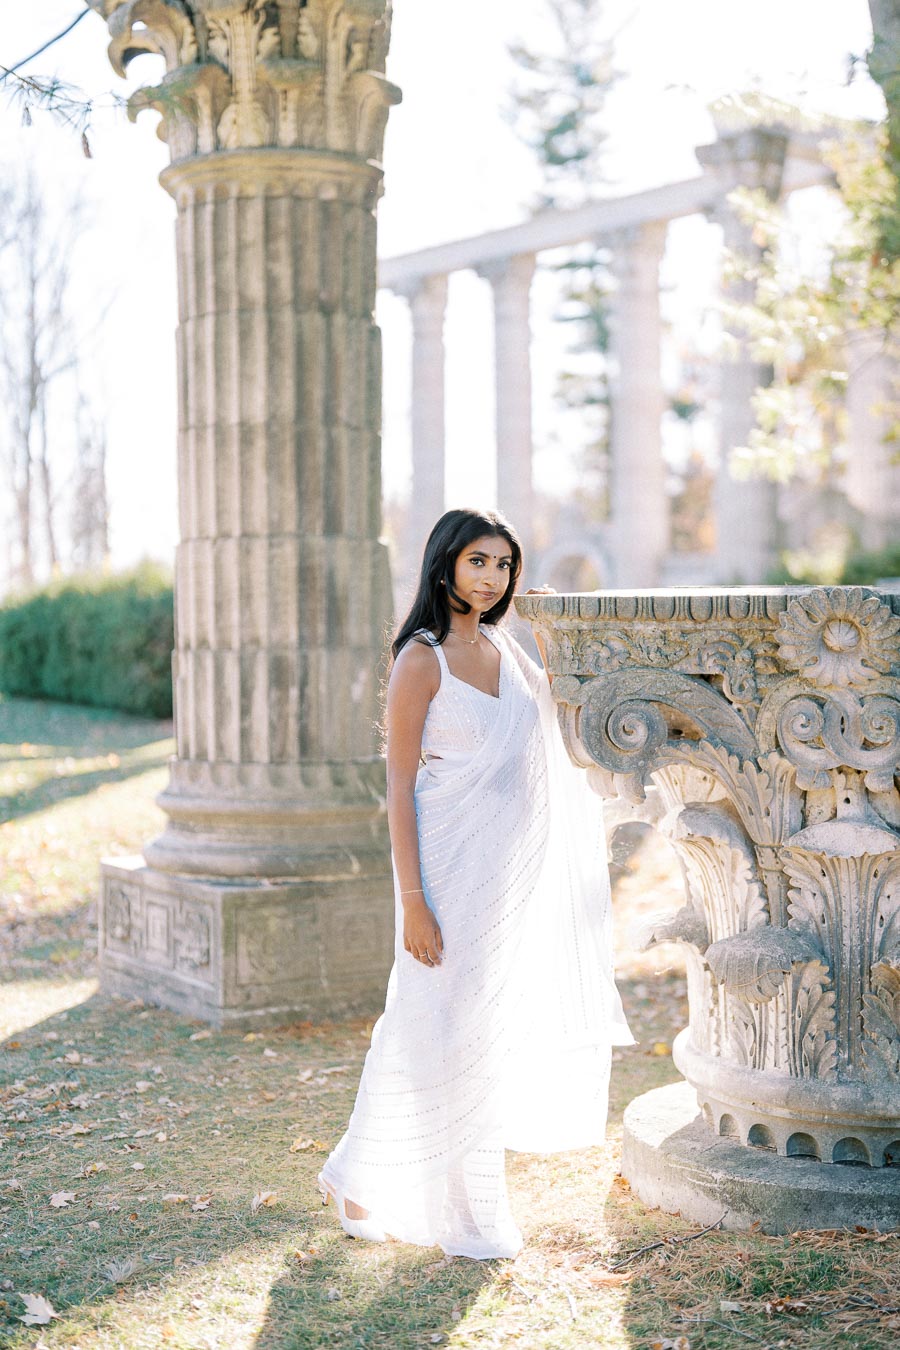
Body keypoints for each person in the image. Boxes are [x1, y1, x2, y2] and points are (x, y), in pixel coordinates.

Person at [318, 508, 632, 1259]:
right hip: (445, 878)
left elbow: (554, 725)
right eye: (478, 562)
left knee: (481, 1029)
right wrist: (413, 904)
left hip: (507, 883)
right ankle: (455, 1205)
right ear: (445, 567)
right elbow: (398, 787)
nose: (492, 578)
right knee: (431, 1024)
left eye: (503, 565)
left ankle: (362, 1172)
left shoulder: (506, 649)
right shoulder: (420, 661)